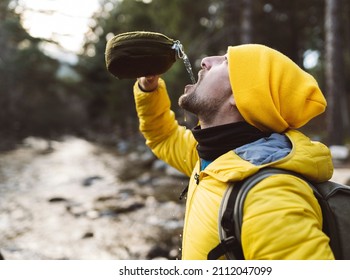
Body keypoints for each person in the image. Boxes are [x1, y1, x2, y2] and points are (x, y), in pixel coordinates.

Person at [133, 44, 335, 260]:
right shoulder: (213, 158)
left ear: (241, 97)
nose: (206, 60)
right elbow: (163, 137)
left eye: (226, 62)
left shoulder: (269, 197)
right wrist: (149, 87)